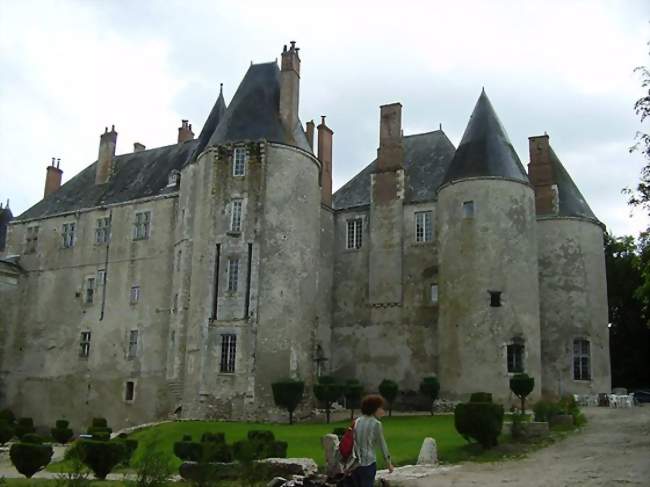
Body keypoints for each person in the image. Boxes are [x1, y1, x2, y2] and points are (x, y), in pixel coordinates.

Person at [350, 394, 394, 486]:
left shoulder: (357, 421)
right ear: (374, 409)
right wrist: (388, 463)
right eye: (381, 408)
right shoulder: (376, 424)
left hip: (355, 464)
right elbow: (382, 445)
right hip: (368, 463)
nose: (383, 411)